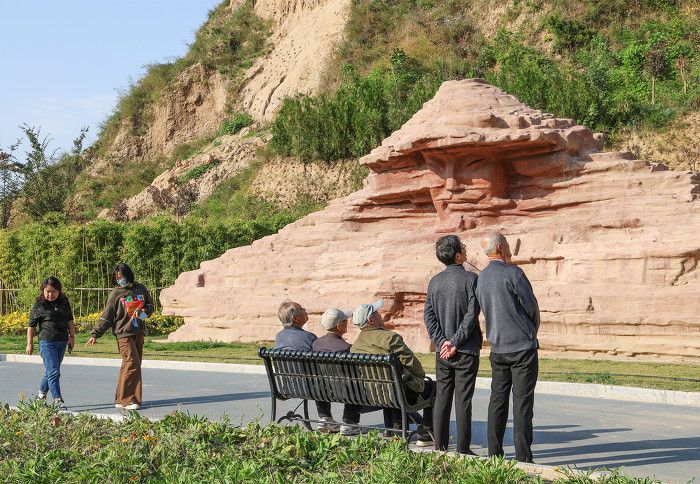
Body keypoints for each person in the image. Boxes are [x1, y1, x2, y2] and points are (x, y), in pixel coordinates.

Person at [475, 232, 540, 463]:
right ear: (501, 248)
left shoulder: (481, 278)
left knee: (497, 401)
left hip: (497, 348)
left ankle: (495, 455)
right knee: (522, 403)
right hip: (522, 348)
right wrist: (531, 332)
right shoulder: (514, 273)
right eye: (508, 245)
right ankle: (523, 458)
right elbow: (532, 308)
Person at [424, 235, 482, 455]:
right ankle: (463, 449)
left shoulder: (434, 281)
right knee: (463, 402)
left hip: (443, 353)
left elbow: (428, 316)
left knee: (442, 401)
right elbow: (471, 314)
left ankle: (440, 448)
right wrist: (455, 342)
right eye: (464, 248)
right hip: (465, 350)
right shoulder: (471, 279)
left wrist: (442, 342)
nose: (466, 251)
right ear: (458, 255)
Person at [350, 299, 434, 447]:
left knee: (390, 385)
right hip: (397, 393)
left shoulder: (355, 346)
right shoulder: (389, 338)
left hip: (372, 394)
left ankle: (393, 429)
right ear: (371, 320)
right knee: (435, 388)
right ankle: (426, 435)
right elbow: (412, 364)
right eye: (376, 313)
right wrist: (420, 376)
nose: (380, 314)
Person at [86, 263, 154, 411]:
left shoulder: (140, 288)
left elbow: (151, 306)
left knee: (131, 365)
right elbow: (107, 315)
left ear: (129, 275)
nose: (120, 280)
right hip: (123, 332)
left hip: (138, 331)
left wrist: (144, 311)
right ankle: (128, 399)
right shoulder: (116, 293)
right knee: (132, 362)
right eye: (117, 278)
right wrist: (96, 333)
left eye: (122, 277)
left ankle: (120, 399)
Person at [26, 277, 75, 410]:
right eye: (47, 291)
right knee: (54, 372)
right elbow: (31, 326)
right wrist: (29, 343)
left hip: (62, 341)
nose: (50, 295)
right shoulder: (39, 305)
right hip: (47, 342)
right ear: (43, 290)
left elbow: (70, 319)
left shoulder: (64, 302)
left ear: (59, 291)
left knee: (52, 371)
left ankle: (41, 396)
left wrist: (72, 337)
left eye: (54, 291)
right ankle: (57, 400)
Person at [312, 308, 361, 436]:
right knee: (356, 385)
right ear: (339, 326)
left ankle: (324, 418)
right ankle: (350, 423)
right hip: (346, 392)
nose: (348, 323)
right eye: (345, 321)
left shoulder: (315, 344)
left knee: (321, 381)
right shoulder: (346, 348)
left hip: (321, 391)